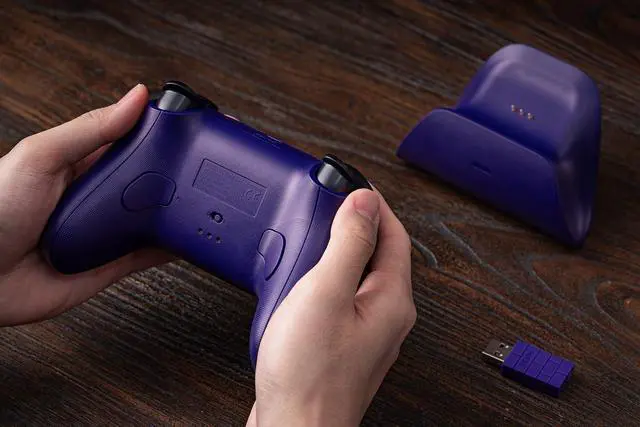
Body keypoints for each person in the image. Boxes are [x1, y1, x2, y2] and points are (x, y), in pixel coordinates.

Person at [0, 84, 416, 426]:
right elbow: (297, 364)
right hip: (296, 195)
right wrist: (308, 410)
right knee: (275, 342)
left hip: (183, 131)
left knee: (68, 242)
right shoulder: (174, 137)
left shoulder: (177, 130)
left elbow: (67, 244)